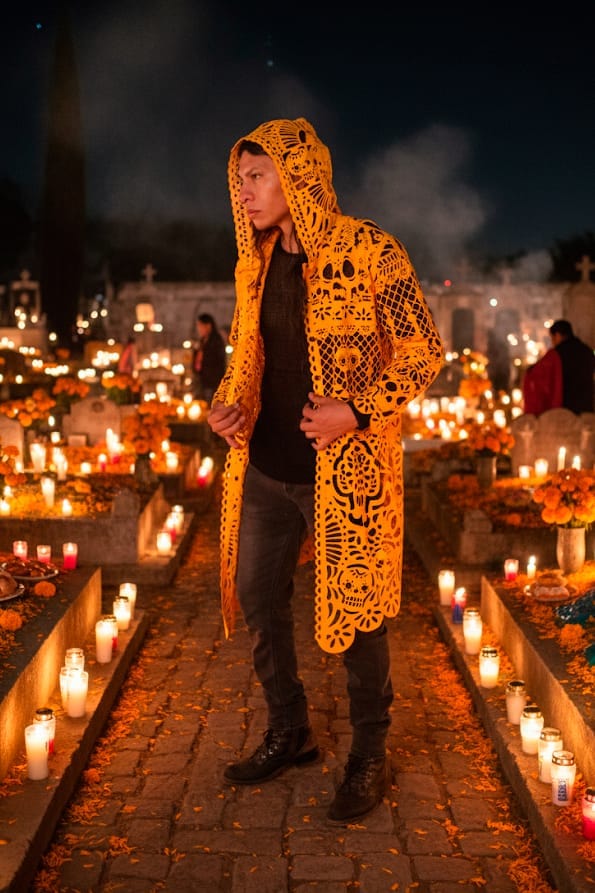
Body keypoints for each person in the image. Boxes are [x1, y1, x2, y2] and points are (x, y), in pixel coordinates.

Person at [207, 118, 443, 824]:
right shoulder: (255, 263)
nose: (244, 192)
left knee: (360, 614)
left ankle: (369, 752)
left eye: (257, 177)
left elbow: (423, 350)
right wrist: (226, 407)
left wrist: (357, 411)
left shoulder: (369, 250)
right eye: (240, 179)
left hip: (348, 473)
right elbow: (246, 357)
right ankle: (291, 730)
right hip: (265, 467)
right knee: (258, 598)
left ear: (298, 177)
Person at [522, 319, 594, 416]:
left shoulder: (555, 355)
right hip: (587, 410)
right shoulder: (587, 351)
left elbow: (535, 376)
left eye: (552, 338)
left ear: (557, 335)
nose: (553, 342)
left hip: (564, 411)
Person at [192, 312, 227, 401]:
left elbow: (218, 361)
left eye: (200, 325)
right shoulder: (202, 341)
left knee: (209, 404)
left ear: (208, 326)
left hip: (212, 382)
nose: (199, 329)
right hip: (201, 380)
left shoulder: (216, 341)